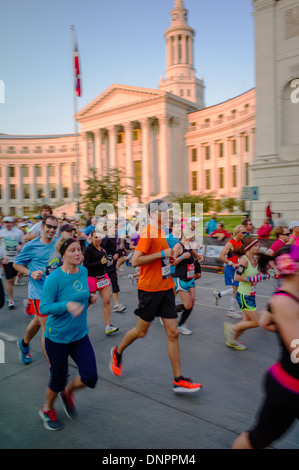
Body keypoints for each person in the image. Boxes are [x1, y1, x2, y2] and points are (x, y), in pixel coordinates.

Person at [109, 199, 202, 393]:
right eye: (164, 211)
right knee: (141, 332)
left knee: (173, 333)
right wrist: (161, 254)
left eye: (168, 211)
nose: (168, 214)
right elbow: (135, 261)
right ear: (152, 214)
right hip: (150, 290)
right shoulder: (148, 234)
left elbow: (163, 260)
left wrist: (172, 259)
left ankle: (178, 380)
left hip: (166, 287)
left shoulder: (161, 233)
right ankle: (117, 352)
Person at [232, 244, 299, 449]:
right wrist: (287, 328)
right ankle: (233, 331)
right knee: (257, 440)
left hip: (288, 382)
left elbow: (265, 322)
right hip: (288, 388)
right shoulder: (283, 301)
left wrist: (284, 328)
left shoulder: (284, 296)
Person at [39, 238, 98, 431]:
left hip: (80, 335)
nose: (78, 253)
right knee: (57, 379)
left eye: (79, 250)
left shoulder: (83, 271)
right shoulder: (54, 278)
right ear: (63, 254)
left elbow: (80, 294)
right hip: (57, 338)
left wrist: (90, 298)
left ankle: (68, 391)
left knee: (90, 376)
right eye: (72, 250)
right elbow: (44, 307)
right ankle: (47, 409)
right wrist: (66, 305)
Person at [13, 215, 60, 365]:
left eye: (54, 227)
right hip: (39, 293)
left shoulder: (58, 245)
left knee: (37, 322)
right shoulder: (31, 246)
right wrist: (30, 273)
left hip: (56, 292)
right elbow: (17, 264)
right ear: (42, 226)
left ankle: (24, 343)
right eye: (49, 226)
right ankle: (55, 369)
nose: (52, 230)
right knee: (48, 330)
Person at [224, 236, 269, 351]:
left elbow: (257, 274)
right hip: (244, 295)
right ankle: (232, 327)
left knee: (246, 321)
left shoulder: (254, 259)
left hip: (251, 294)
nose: (258, 247)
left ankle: (233, 340)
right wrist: (253, 278)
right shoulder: (244, 261)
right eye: (256, 246)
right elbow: (237, 277)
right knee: (256, 322)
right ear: (249, 248)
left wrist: (264, 275)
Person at [83, 230, 118, 335]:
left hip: (103, 277)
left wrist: (109, 262)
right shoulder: (89, 249)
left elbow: (105, 261)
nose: (98, 239)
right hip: (92, 278)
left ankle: (108, 326)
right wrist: (99, 263)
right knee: (89, 302)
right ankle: (79, 321)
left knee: (107, 301)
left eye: (99, 237)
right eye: (95, 237)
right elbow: (86, 265)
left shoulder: (103, 248)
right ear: (91, 238)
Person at [213, 225, 246, 318]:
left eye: (245, 232)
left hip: (238, 268)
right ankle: (231, 311)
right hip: (231, 269)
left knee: (237, 288)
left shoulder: (241, 242)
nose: (245, 234)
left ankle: (218, 295)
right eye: (243, 232)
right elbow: (221, 256)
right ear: (237, 233)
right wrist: (232, 264)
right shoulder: (230, 243)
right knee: (237, 290)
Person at [172, 229, 198, 335]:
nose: (192, 238)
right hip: (180, 279)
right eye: (190, 236)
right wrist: (182, 257)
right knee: (188, 305)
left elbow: (196, 256)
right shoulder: (178, 246)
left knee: (191, 304)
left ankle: (180, 325)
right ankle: (168, 312)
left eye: (193, 236)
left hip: (190, 278)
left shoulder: (190, 246)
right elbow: (171, 262)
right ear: (184, 235)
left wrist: (199, 257)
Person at [101, 223, 127, 313]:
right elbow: (102, 251)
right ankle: (89, 299)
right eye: (113, 227)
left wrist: (119, 253)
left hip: (112, 266)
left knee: (115, 284)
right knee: (102, 285)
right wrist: (110, 258)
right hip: (106, 266)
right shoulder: (106, 239)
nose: (115, 229)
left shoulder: (115, 238)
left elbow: (117, 251)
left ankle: (116, 305)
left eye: (116, 227)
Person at [0, 216, 24, 308]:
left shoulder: (19, 232)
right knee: (9, 280)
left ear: (13, 223)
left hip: (17, 259)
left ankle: (9, 292)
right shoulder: (1, 232)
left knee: (13, 278)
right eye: (5, 222)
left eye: (9, 222)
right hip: (6, 259)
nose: (7, 224)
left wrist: (21, 247)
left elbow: (23, 243)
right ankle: (11, 299)